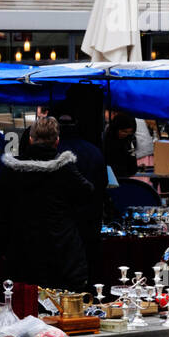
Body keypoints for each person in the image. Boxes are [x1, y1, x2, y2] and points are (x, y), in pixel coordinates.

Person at [0, 116, 94, 291]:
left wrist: (4, 246)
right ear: (57, 141)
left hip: (23, 249)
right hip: (61, 249)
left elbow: (1, 211)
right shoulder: (65, 168)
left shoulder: (12, 170)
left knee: (26, 307)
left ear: (31, 139)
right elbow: (87, 194)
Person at [57, 113, 108, 291]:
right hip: (89, 222)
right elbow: (102, 184)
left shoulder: (56, 152)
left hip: (65, 225)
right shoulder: (93, 151)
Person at [103, 112, 139, 180]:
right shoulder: (107, 141)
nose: (126, 135)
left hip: (124, 178)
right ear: (116, 128)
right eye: (124, 131)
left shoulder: (129, 140)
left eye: (129, 133)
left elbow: (133, 167)